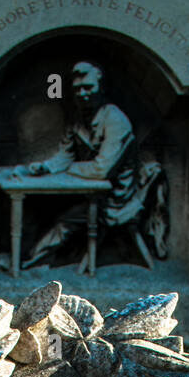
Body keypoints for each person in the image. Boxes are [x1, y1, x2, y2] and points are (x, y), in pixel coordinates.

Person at [20, 61, 144, 268]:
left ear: (101, 88)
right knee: (44, 207)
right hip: (90, 191)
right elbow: (65, 154)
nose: (83, 93)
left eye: (89, 87)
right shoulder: (78, 118)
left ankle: (30, 261)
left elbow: (101, 170)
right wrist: (46, 167)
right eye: (78, 89)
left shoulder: (115, 120)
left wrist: (72, 169)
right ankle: (46, 258)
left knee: (64, 222)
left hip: (115, 200)